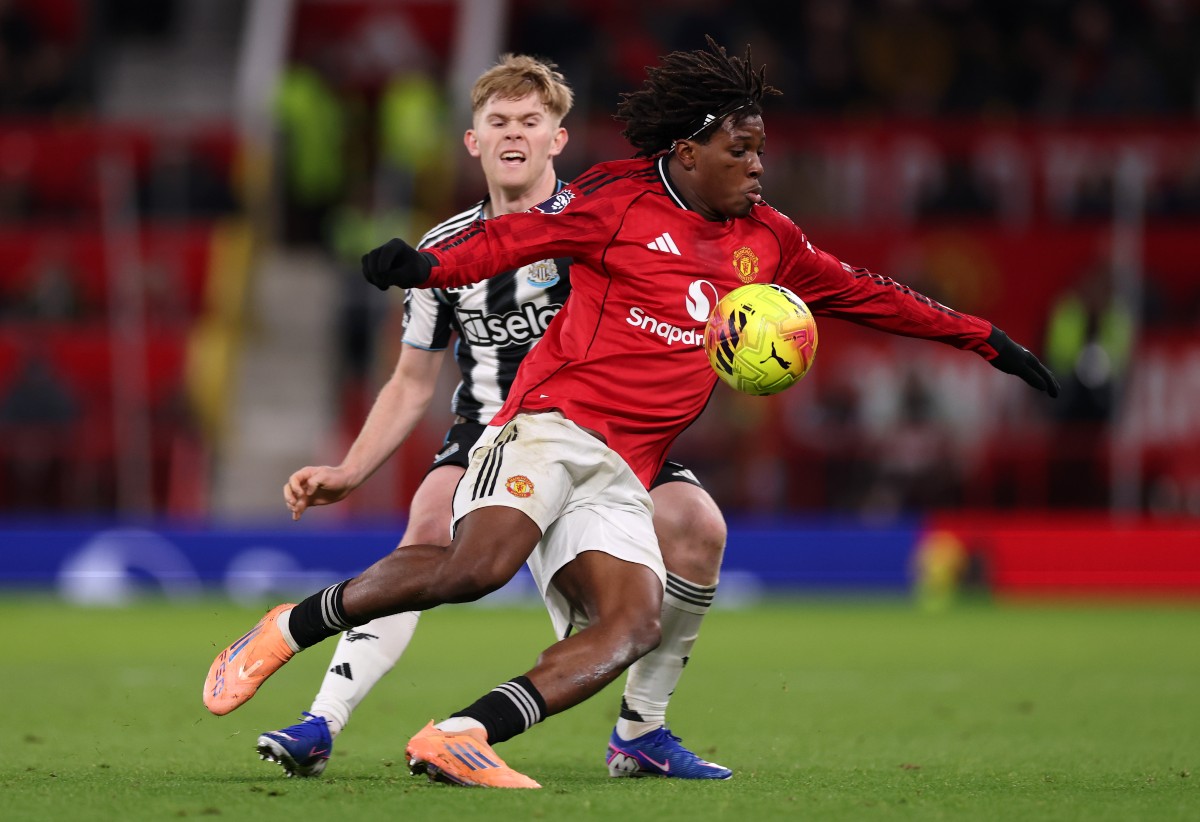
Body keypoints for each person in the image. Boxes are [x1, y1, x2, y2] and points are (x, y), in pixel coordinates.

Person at [205, 37, 1058, 789]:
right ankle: (291, 627)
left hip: (630, 465)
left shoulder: (770, 240)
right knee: (476, 566)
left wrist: (985, 338)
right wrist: (428, 270)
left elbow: (868, 294)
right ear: (690, 152)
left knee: (634, 624)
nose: (759, 166)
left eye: (762, 150)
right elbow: (516, 240)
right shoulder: (617, 199)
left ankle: (463, 734)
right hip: (547, 423)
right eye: (743, 150)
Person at [252, 55, 731, 781]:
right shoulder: (443, 250)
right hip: (490, 429)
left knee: (699, 529)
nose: (514, 134)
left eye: (530, 122)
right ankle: (320, 721)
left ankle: (641, 732)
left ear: (557, 139)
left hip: (611, 426)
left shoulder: (606, 221)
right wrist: (349, 471)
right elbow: (412, 382)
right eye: (498, 122)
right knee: (429, 531)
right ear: (473, 142)